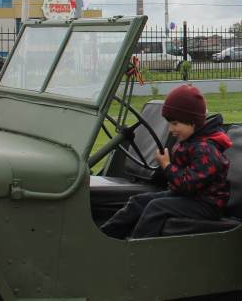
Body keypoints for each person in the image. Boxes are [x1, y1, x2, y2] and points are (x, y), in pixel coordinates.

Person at [99, 85, 232, 240]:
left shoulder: (206, 150)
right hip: (187, 197)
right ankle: (104, 238)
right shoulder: (190, 142)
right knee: (139, 201)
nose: (170, 129)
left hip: (206, 204)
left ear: (192, 121)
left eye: (175, 124)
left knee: (156, 207)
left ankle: (137, 249)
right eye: (169, 123)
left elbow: (188, 184)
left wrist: (167, 166)